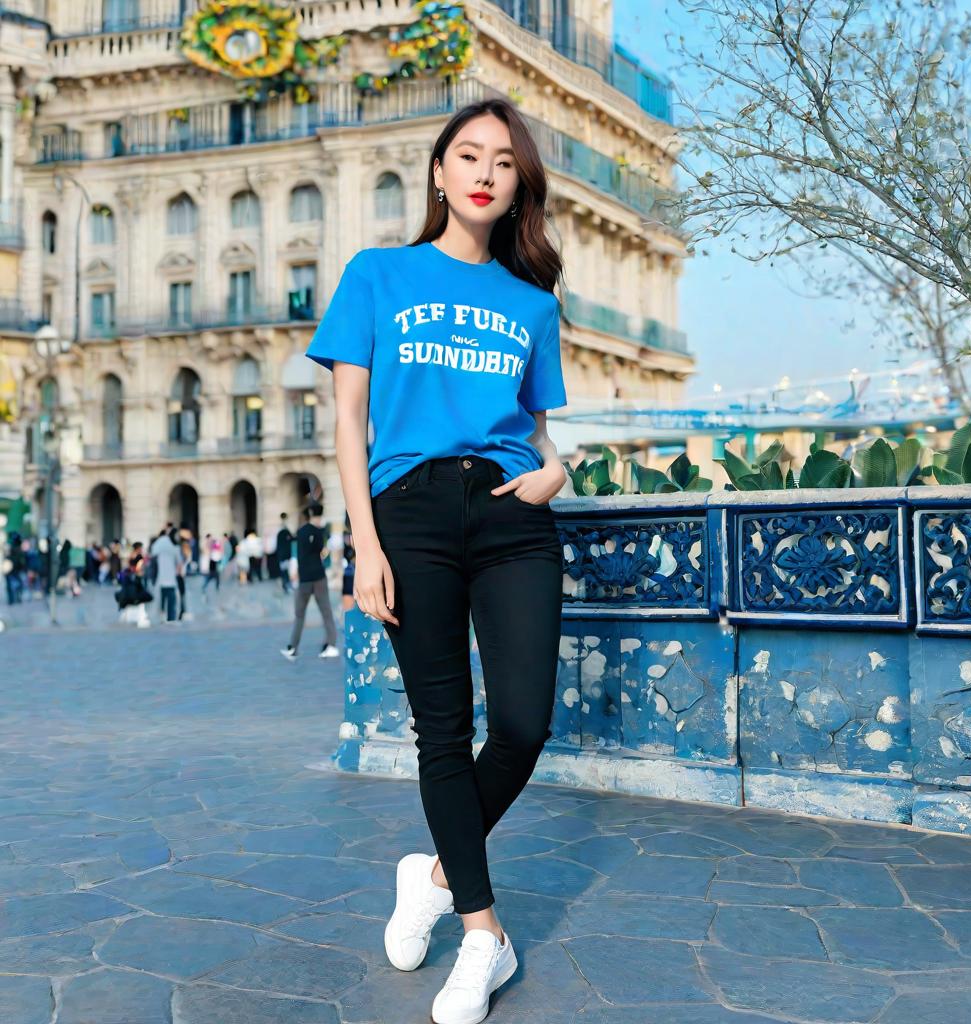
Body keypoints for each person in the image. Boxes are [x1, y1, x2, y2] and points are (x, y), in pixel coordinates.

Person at [304, 98, 568, 1023]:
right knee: (442, 735)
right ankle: (483, 934)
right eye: (468, 154)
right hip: (408, 515)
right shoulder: (377, 276)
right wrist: (363, 544)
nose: (485, 171)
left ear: (516, 185)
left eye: (503, 160)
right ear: (438, 173)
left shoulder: (533, 303)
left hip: (509, 515)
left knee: (527, 726)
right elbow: (346, 418)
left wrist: (557, 469)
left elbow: (536, 427)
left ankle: (430, 868)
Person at [280, 502, 340, 660]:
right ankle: (331, 645)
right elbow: (323, 554)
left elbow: (297, 554)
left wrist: (294, 572)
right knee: (326, 612)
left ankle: (293, 647)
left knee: (299, 614)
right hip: (319, 576)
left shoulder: (301, 532)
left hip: (305, 578)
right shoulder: (321, 532)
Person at [149, 527, 183, 623]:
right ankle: (170, 620)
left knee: (161, 603)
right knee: (171, 604)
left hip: (160, 581)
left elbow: (152, 555)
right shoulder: (175, 547)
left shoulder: (159, 544)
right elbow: (179, 564)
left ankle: (161, 618)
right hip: (171, 581)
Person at [275, 512, 293, 593]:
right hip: (284, 555)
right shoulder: (283, 531)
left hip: (283, 555)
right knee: (285, 571)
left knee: (285, 571)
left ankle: (285, 586)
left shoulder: (283, 529)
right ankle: (285, 586)